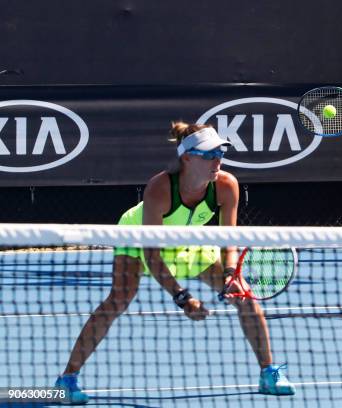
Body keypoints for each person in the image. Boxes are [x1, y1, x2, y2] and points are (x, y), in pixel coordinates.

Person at [54, 122, 295, 404]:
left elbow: (229, 239)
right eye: (209, 154)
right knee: (118, 299)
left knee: (245, 296)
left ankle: (269, 372)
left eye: (220, 152)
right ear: (187, 158)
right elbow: (153, 256)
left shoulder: (227, 185)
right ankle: (67, 379)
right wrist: (183, 298)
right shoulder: (160, 188)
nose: (217, 159)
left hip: (190, 242)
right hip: (139, 239)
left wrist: (231, 273)